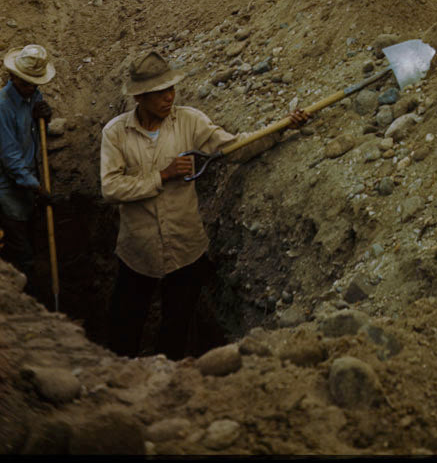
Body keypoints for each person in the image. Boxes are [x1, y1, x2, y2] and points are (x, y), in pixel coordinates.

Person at [100, 48, 309, 359]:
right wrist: (162, 175)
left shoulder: (190, 122)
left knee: (177, 330)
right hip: (137, 252)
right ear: (139, 98)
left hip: (186, 249)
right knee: (123, 330)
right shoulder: (116, 134)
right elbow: (111, 188)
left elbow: (235, 147)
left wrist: (281, 128)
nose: (168, 97)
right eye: (158, 93)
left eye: (170, 89)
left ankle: (172, 387)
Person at [0, 43, 56, 294]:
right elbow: (11, 160)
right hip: (7, 190)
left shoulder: (33, 96)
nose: (33, 88)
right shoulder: (0, 107)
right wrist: (39, 188)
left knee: (31, 243)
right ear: (13, 77)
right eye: (27, 83)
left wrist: (44, 120)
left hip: (28, 186)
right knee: (21, 254)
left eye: (36, 84)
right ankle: (22, 303)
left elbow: (37, 141)